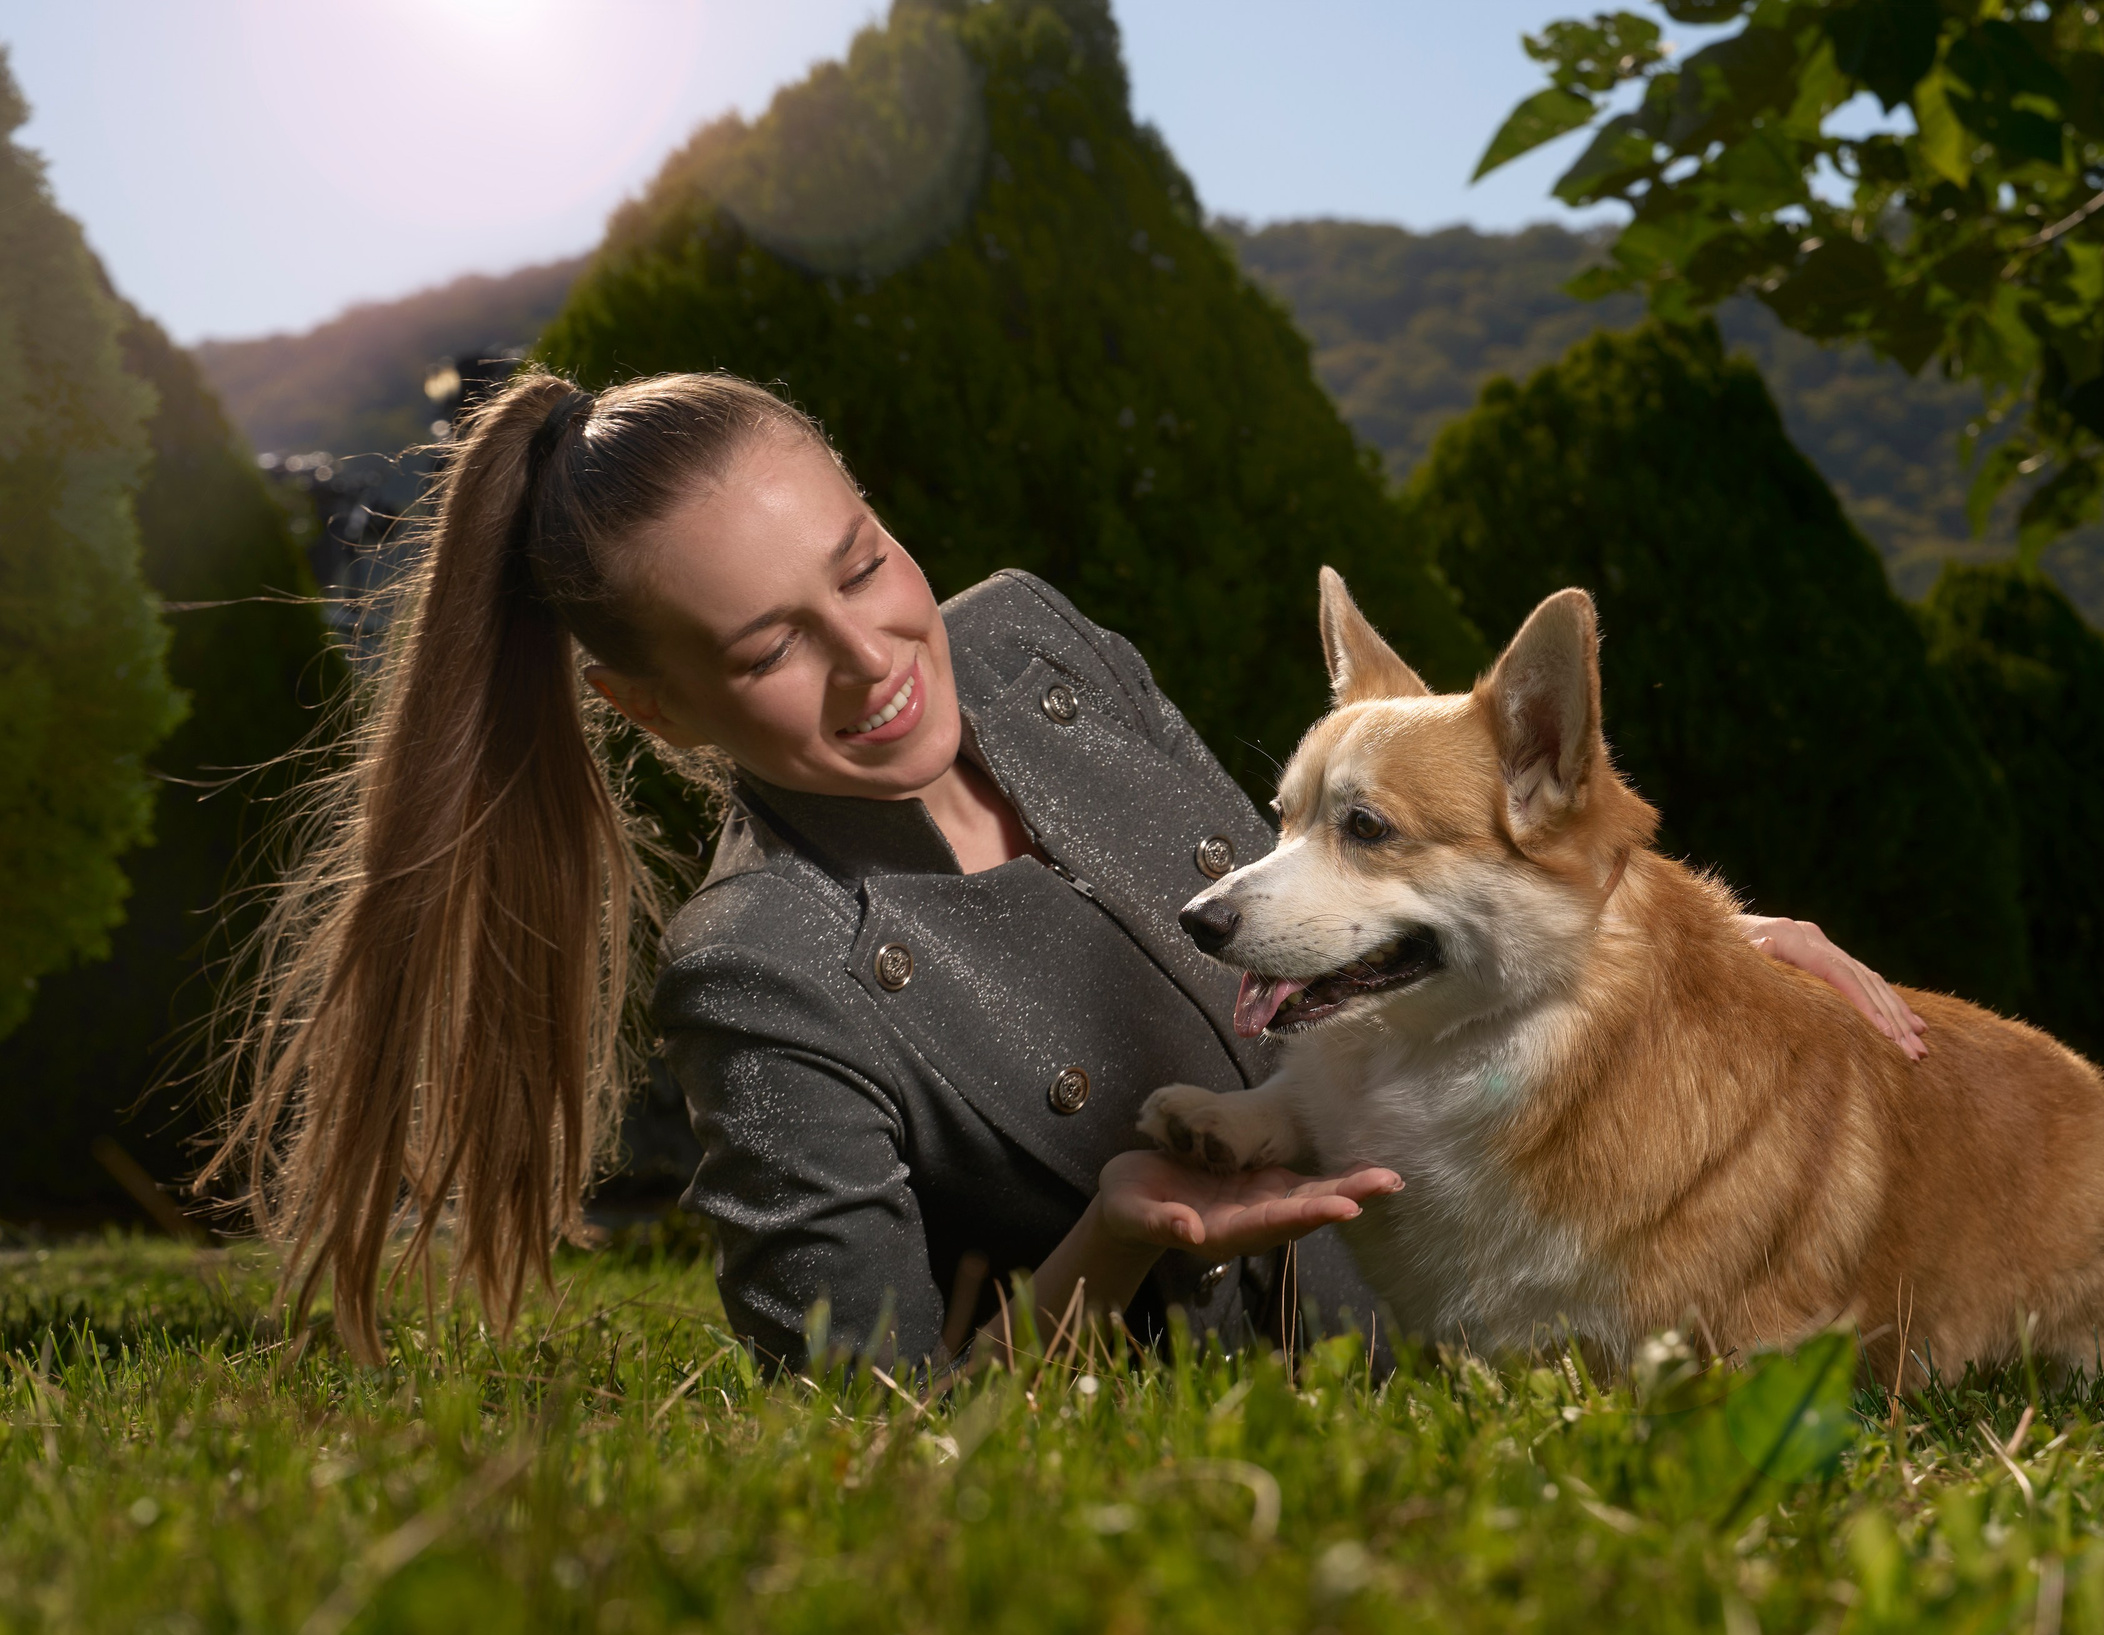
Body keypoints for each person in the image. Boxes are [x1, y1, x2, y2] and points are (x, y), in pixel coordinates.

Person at [208, 370, 1931, 1368]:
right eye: (764, 651)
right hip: (1332, 1385)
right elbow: (866, 1426)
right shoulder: (765, 971)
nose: (877, 654)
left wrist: (1653, 921)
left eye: (866, 561)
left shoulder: (1029, 640)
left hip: (1517, 1283)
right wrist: (1111, 1242)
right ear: (649, 707)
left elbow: (1368, 921)